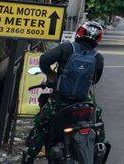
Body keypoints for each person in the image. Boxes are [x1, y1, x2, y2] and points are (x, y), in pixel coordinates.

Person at [22, 21, 105, 164]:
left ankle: (29, 157)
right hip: (84, 102)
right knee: (97, 122)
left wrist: (52, 75)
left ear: (80, 32)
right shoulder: (98, 57)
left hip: (60, 101)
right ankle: (99, 148)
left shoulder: (67, 48)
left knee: (41, 124)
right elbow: (95, 80)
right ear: (98, 38)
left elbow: (44, 60)